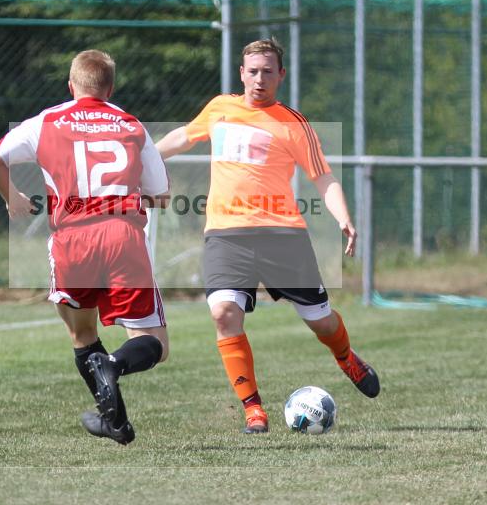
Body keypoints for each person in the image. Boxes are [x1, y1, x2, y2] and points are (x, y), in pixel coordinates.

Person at [155, 38, 379, 434]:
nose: (260, 79)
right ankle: (253, 410)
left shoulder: (293, 123)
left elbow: (323, 178)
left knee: (321, 321)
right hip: (226, 234)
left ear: (281, 75)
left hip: (282, 236)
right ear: (242, 74)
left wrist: (343, 217)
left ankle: (346, 356)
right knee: (224, 313)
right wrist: (147, 158)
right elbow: (185, 137)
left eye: (268, 72)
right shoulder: (220, 108)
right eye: (253, 71)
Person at [0, 50, 170, 445]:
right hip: (121, 236)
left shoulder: (47, 121)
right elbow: (161, 194)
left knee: (82, 334)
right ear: (111, 88)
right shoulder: (131, 124)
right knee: (154, 343)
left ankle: (115, 423)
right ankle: (115, 368)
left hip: (71, 242)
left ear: (71, 86)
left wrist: (12, 197)